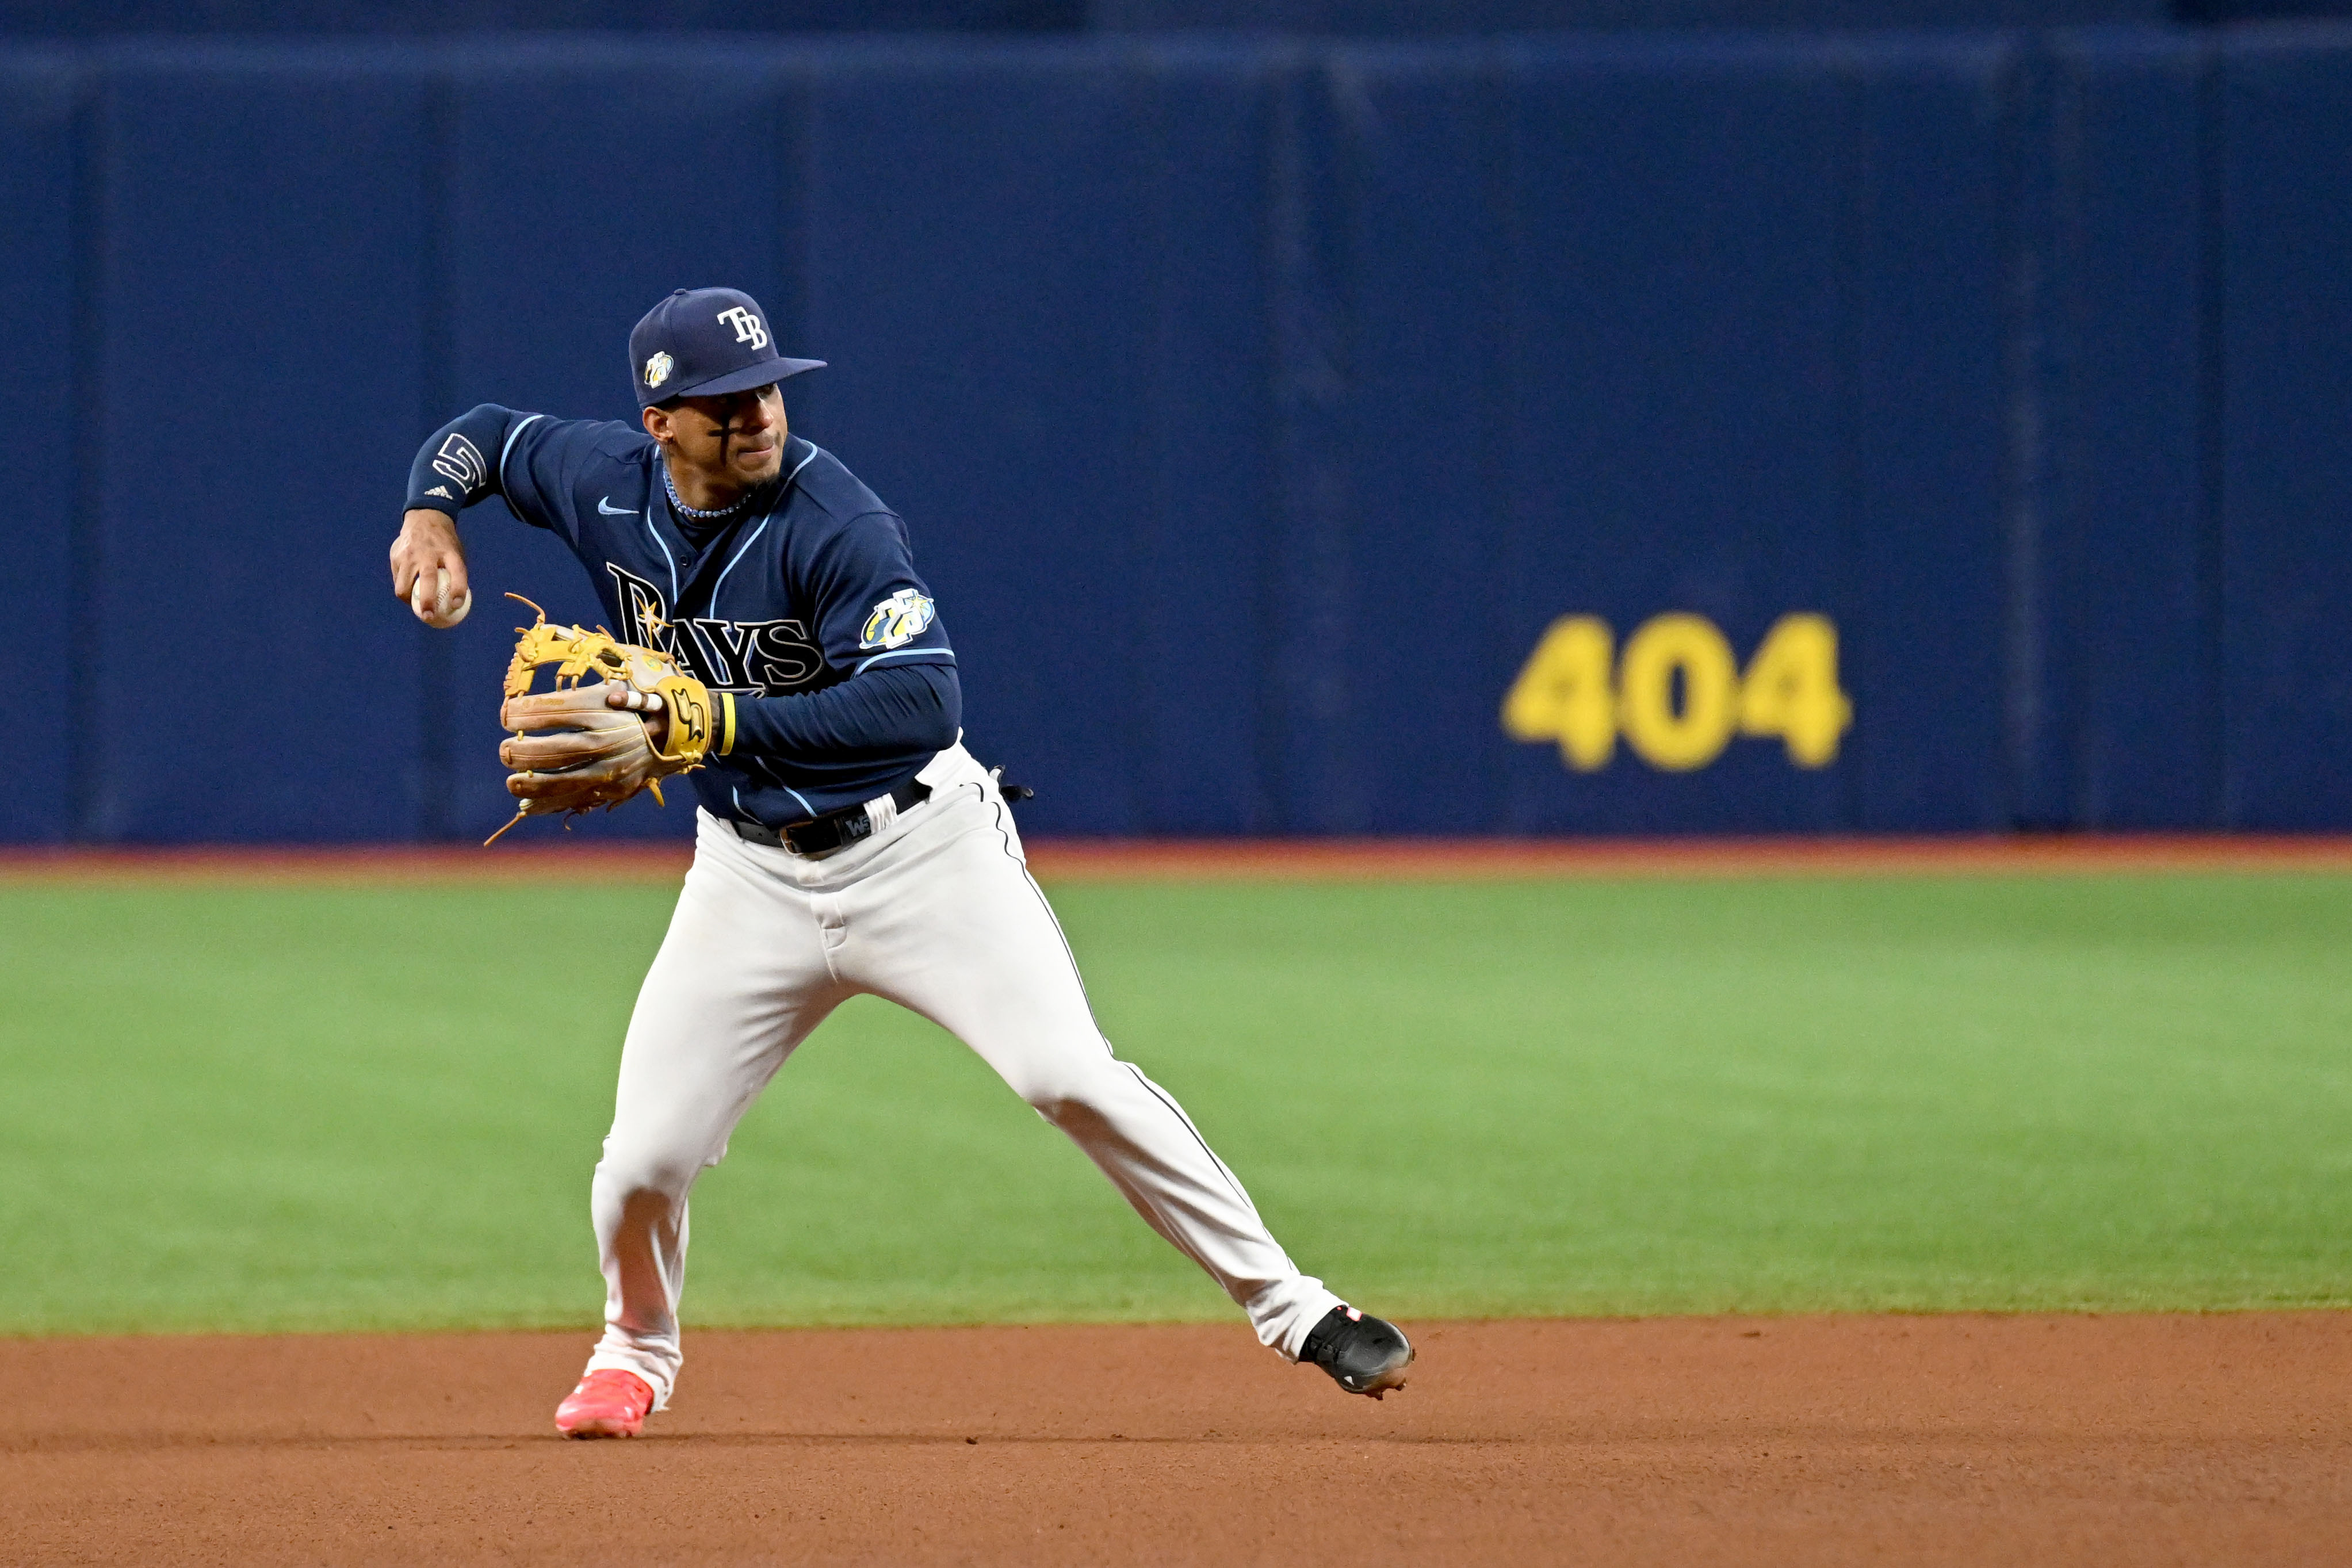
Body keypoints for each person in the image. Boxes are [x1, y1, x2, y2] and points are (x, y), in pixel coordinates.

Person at [386, 286, 1413, 1438]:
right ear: (661, 418)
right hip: (748, 878)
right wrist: (431, 510)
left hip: (922, 853)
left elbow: (923, 700)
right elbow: (481, 434)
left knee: (1064, 1073)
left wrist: (709, 724)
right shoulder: (600, 481)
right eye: (727, 401)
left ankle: (1298, 1308)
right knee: (640, 1161)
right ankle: (633, 1348)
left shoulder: (835, 521)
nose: (759, 414)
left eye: (767, 386)